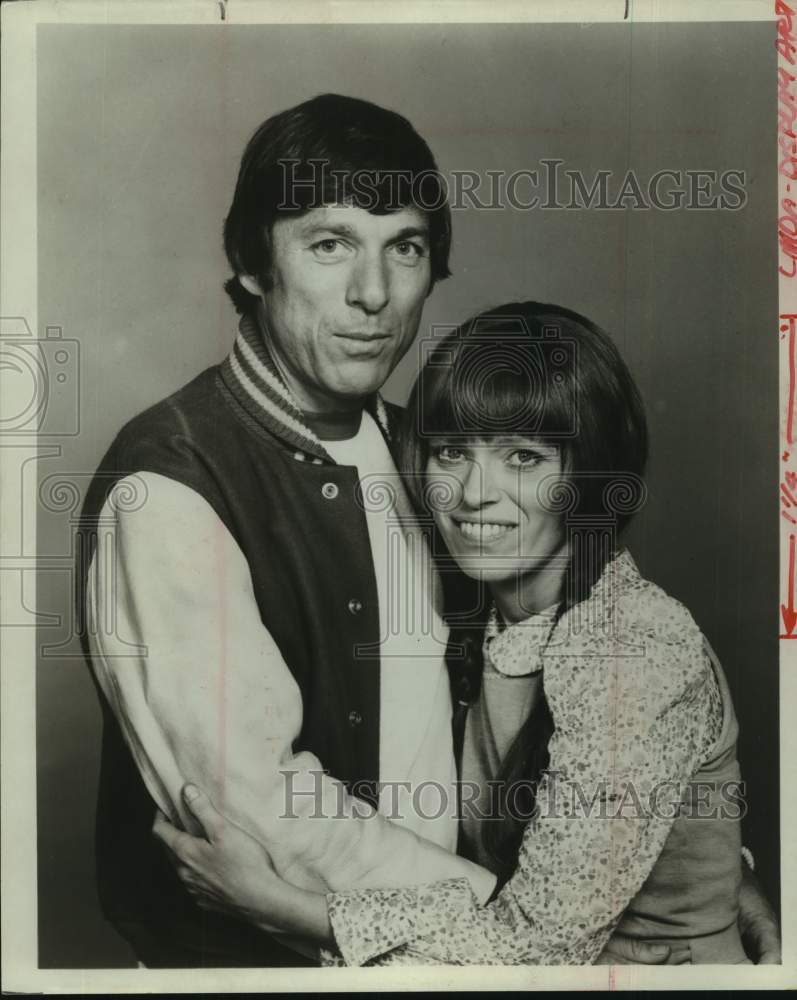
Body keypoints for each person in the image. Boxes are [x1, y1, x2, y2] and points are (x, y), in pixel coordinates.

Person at [78, 94, 778, 967]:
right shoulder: (172, 485)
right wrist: (568, 904)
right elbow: (253, 812)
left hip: (478, 957)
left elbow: (579, 716)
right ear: (254, 263)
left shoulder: (435, 451)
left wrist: (679, 869)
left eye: (403, 248)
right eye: (329, 244)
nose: (372, 294)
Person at [153, 302, 779, 965]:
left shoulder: (630, 646)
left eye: (523, 457)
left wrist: (276, 908)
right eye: (452, 452)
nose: (474, 493)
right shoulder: (474, 611)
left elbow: (536, 948)